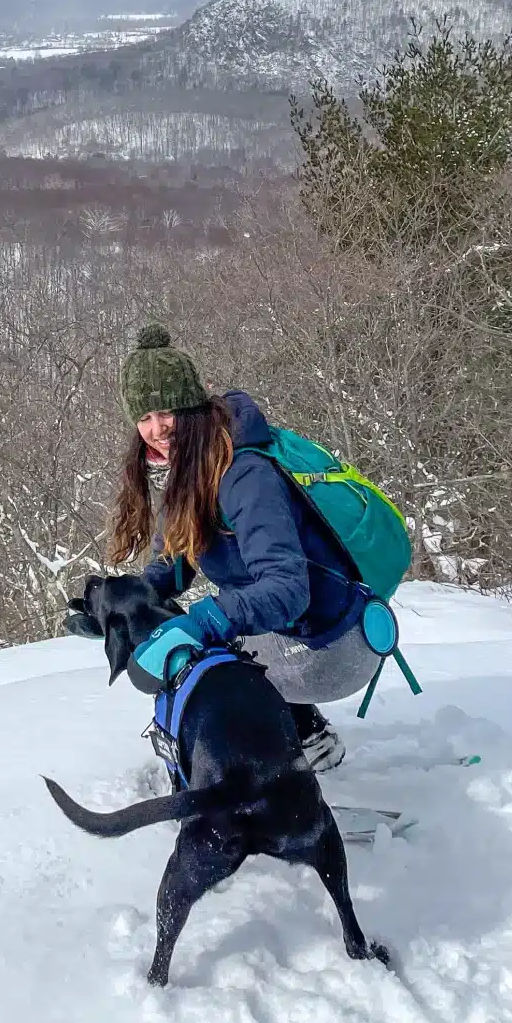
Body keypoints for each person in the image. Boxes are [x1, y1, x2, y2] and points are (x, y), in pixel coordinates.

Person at [108, 323, 384, 773]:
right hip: (299, 631)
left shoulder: (245, 475)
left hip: (332, 644)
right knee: (202, 645)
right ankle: (304, 737)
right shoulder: (195, 467)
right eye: (143, 418)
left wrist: (205, 620)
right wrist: (118, 606)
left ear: (193, 406)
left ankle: (289, 764)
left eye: (165, 412)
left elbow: (287, 591)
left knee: (205, 662)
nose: (156, 430)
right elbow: (169, 567)